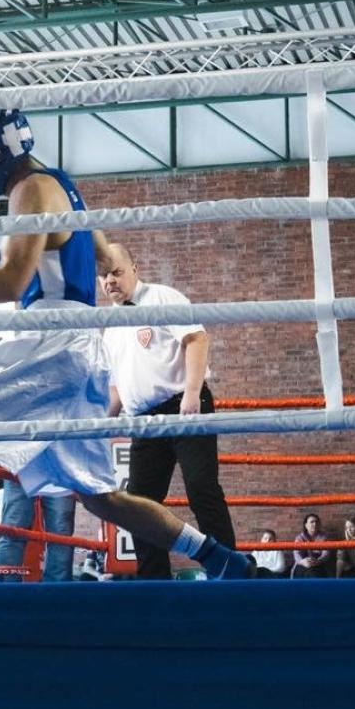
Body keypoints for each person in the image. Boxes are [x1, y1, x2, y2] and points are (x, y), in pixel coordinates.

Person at [0, 109, 255, 582]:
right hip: (81, 348)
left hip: (49, 342)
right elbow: (106, 254)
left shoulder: (31, 190)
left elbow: (11, 280)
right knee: (99, 495)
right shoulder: (61, 186)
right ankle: (220, 558)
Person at [99, 242, 237, 578]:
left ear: (136, 268)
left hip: (183, 405)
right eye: (103, 276)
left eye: (116, 272)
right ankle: (153, 584)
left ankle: (230, 571)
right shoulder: (110, 328)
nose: (110, 281)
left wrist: (192, 392)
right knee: (139, 502)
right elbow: (117, 385)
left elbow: (196, 339)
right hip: (144, 423)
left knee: (201, 487)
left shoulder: (163, 297)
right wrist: (101, 425)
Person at [0, 479, 76, 582]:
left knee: (61, 535)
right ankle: (5, 591)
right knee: (12, 531)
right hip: (20, 466)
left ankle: (57, 593)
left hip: (58, 468)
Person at [290, 513, 330, 578]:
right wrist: (302, 562)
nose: (315, 524)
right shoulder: (299, 538)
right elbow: (296, 553)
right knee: (308, 572)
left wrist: (318, 561)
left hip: (319, 564)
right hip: (302, 564)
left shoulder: (324, 537)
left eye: (316, 522)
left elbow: (326, 554)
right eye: (312, 522)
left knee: (313, 572)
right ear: (306, 525)